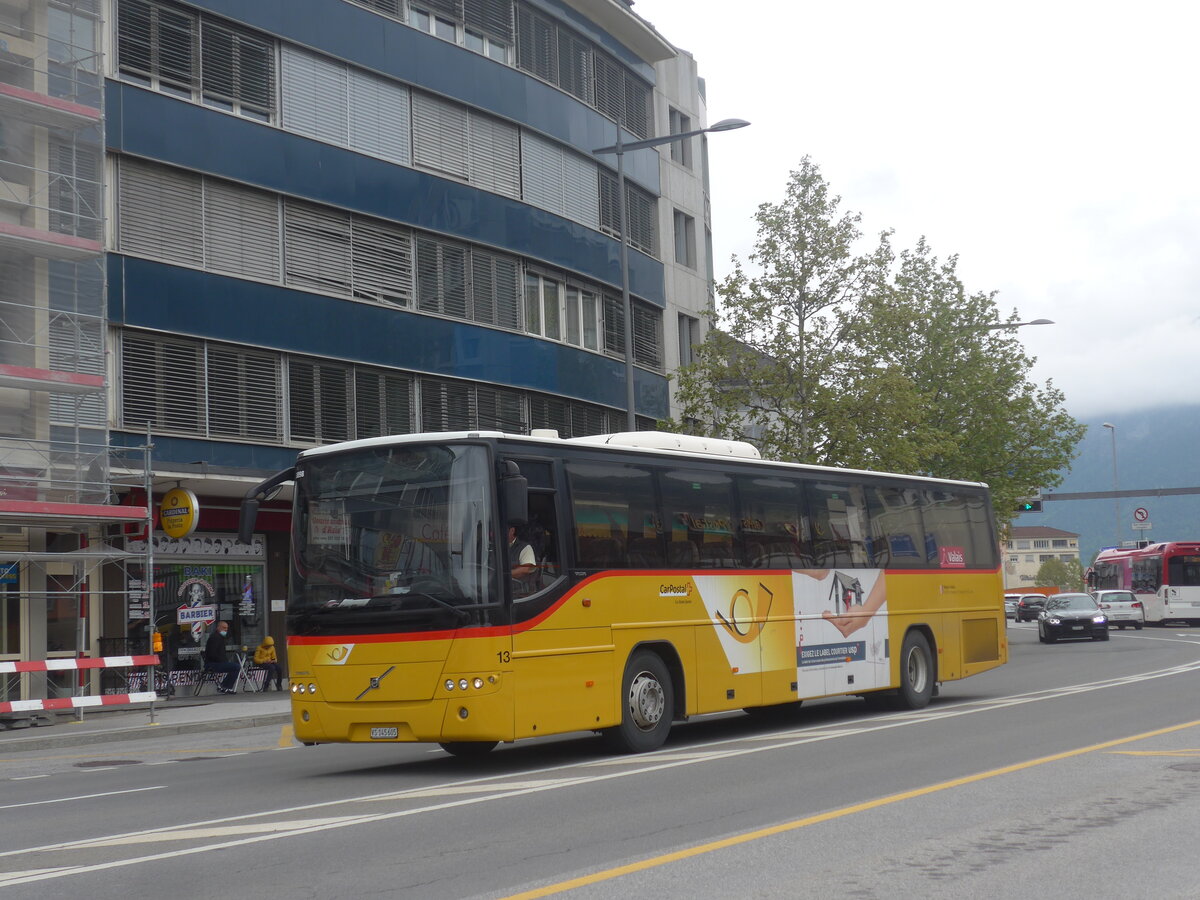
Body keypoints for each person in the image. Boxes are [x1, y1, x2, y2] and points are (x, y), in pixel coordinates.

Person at [203, 621, 240, 694]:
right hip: (213, 664)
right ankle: (225, 686)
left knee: (234, 667)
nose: (226, 629)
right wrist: (223, 661)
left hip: (216, 663)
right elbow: (212, 654)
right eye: (224, 628)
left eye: (226, 628)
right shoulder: (215, 638)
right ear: (218, 628)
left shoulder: (220, 637)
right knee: (236, 667)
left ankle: (224, 686)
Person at [508, 524, 537, 590]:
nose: (492, 534)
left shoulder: (525, 548)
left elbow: (526, 569)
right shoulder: (492, 547)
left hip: (519, 593)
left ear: (512, 530)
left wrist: (502, 575)